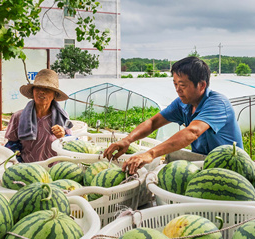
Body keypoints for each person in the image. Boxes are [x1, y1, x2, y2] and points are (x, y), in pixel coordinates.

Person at [104, 56, 243, 174]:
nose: (177, 90)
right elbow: (153, 123)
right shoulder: (183, 103)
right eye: (175, 84)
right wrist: (128, 140)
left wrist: (150, 154)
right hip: (204, 164)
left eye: (182, 85)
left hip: (231, 169)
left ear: (201, 85)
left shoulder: (217, 103)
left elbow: (192, 132)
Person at [4, 68, 73, 162]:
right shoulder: (18, 117)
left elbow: (71, 144)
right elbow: (11, 145)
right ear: (33, 91)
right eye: (38, 88)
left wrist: (62, 136)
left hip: (54, 170)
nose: (42, 92)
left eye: (47, 89)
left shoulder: (63, 117)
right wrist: (18, 161)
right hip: (27, 170)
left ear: (54, 95)